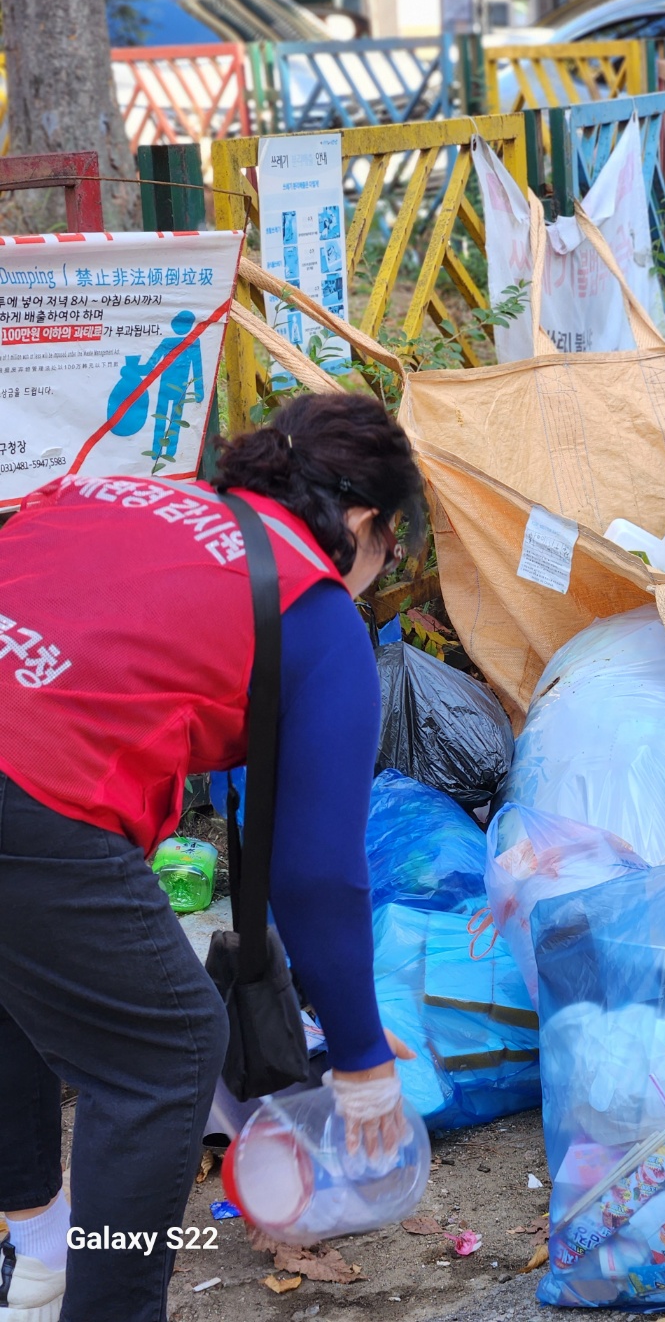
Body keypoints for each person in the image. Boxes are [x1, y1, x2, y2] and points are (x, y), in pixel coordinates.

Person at [0, 390, 425, 1321]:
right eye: (391, 539)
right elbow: (317, 873)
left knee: (18, 979)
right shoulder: (312, 608)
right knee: (169, 1051)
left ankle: (36, 1257)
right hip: (26, 784)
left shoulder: (125, 495)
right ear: (361, 521)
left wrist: (326, 1006)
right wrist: (358, 1059)